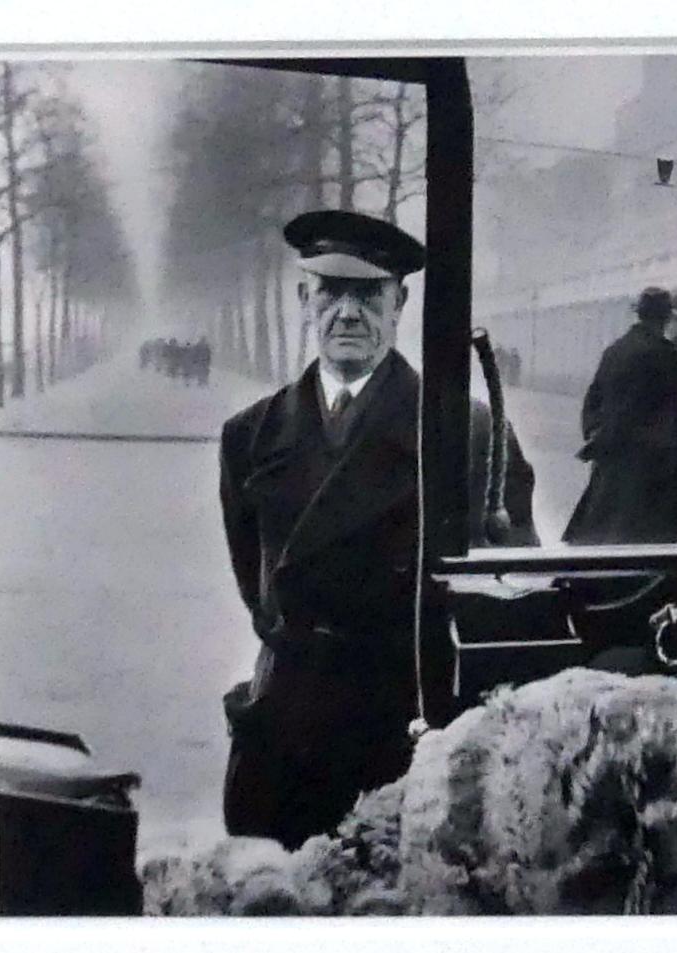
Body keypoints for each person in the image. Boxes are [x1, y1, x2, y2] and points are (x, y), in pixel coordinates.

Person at [218, 209, 538, 849]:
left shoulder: (464, 433)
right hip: (285, 725)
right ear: (304, 299)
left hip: (401, 730)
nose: (347, 313)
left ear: (400, 305)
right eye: (331, 292)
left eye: (368, 295)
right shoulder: (250, 434)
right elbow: (258, 585)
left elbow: (509, 591)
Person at [563, 287, 677, 544]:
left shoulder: (615, 351)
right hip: (655, 480)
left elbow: (592, 403)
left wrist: (596, 437)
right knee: (647, 549)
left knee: (601, 538)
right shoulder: (668, 361)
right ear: (666, 318)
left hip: (611, 471)